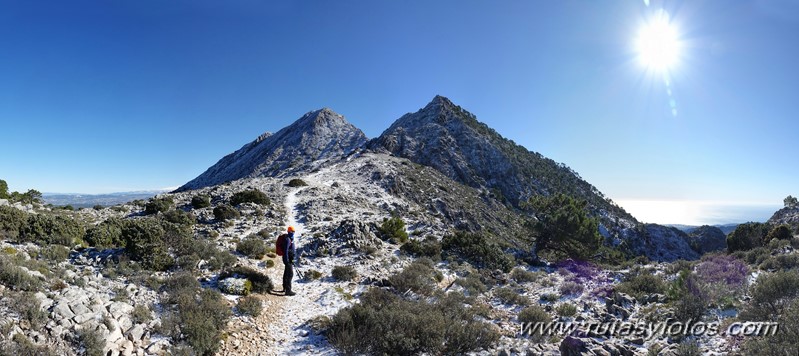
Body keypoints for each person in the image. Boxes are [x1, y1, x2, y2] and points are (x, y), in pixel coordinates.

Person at [281, 226, 297, 296]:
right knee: (290, 274)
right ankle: (288, 290)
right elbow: (286, 250)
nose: (293, 233)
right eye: (291, 231)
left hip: (289, 259)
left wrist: (292, 259)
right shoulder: (287, 239)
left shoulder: (290, 239)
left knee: (286, 273)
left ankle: (285, 287)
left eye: (293, 232)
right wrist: (287, 260)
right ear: (288, 231)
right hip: (287, 259)